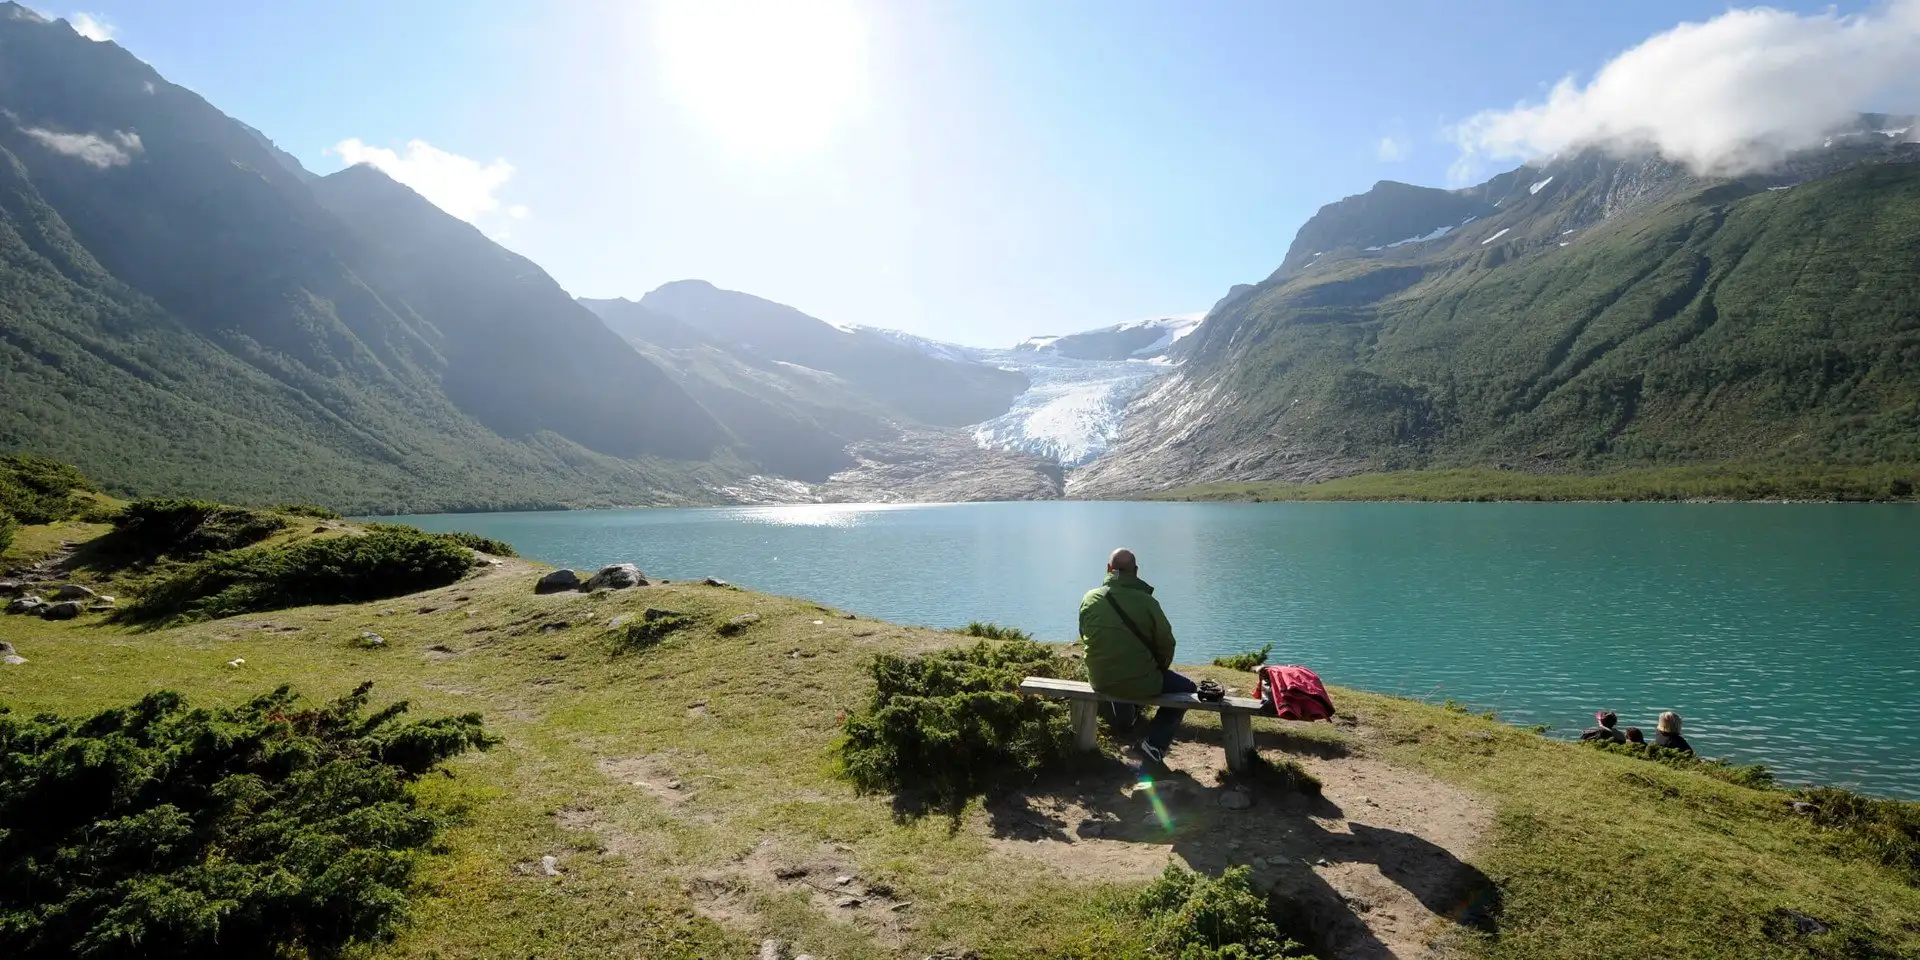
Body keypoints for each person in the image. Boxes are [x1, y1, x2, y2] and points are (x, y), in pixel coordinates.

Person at [1079, 547, 1191, 766]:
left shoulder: (1089, 598)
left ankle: (1125, 721)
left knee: (1121, 679)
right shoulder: (1148, 603)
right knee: (1187, 689)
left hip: (1100, 679)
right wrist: (1159, 667)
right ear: (1136, 571)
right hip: (1142, 680)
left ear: (1108, 569)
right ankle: (1154, 744)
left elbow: (1084, 635)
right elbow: (1166, 643)